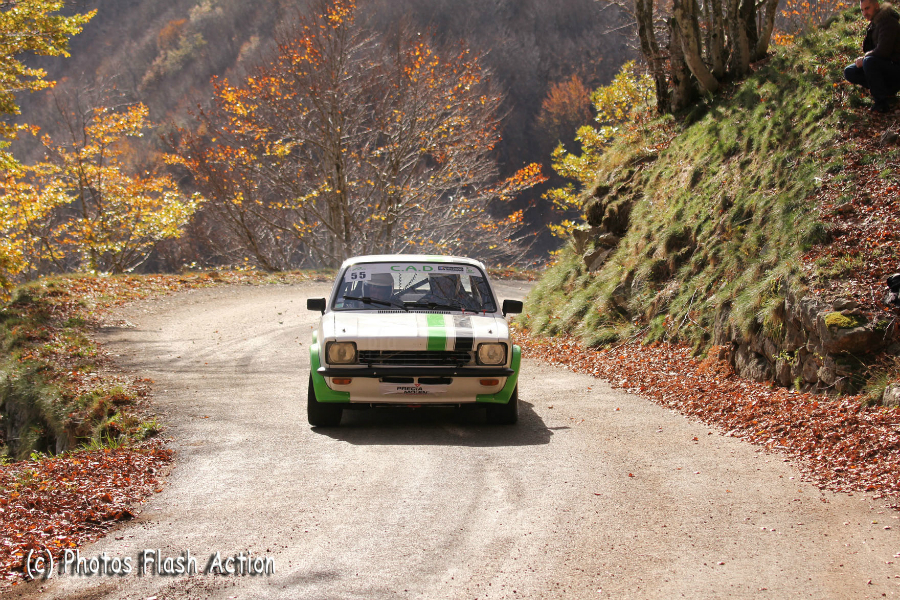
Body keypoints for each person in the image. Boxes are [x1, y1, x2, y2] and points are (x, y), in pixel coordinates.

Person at [844, 0, 900, 113]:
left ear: (877, 6)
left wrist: (865, 58)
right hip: (883, 66)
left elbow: (884, 51)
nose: (864, 13)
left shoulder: (888, 22)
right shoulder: (875, 22)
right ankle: (886, 91)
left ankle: (881, 103)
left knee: (869, 62)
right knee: (850, 71)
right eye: (862, 10)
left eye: (867, 8)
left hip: (895, 68)